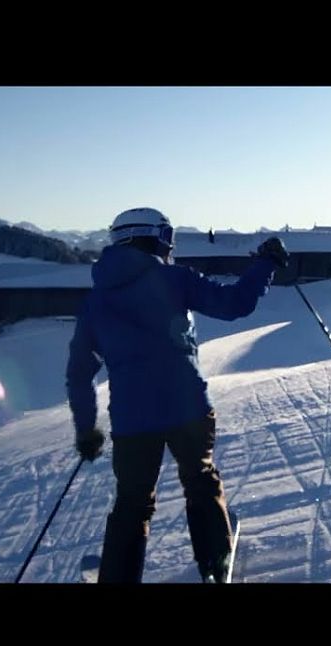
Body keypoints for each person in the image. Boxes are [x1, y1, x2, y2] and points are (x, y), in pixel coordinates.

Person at [65, 207, 290, 583]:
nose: (170, 247)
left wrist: (86, 430)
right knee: (200, 481)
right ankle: (216, 567)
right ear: (152, 237)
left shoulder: (96, 301)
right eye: (167, 237)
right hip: (188, 409)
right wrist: (265, 264)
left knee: (133, 503)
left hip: (133, 421)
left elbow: (79, 372)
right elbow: (235, 304)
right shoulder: (173, 279)